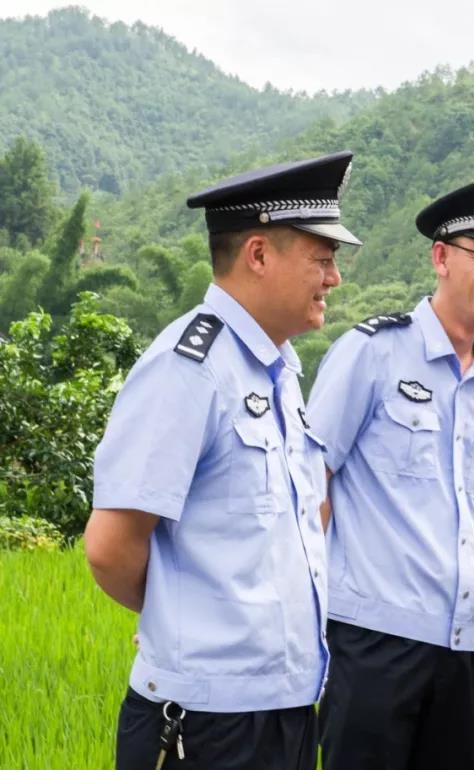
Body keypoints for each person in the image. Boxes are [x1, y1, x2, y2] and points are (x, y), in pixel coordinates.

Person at [84, 151, 361, 770]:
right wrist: (179, 616)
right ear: (258, 254)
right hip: (206, 725)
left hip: (286, 708)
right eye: (323, 257)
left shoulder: (280, 370)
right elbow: (110, 546)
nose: (334, 277)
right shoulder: (189, 369)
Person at [308, 176, 474, 770]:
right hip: (371, 643)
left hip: (468, 647)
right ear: (441, 257)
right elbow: (310, 486)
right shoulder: (373, 351)